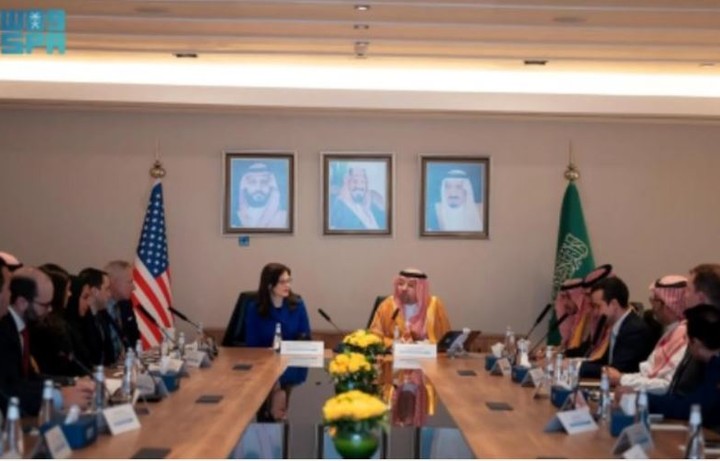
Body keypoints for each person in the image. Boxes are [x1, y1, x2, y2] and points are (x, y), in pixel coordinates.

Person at [0, 268, 94, 416]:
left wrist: (70, 382)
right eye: (45, 305)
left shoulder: (20, 326)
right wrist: (59, 397)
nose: (50, 309)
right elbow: (8, 388)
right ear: (22, 302)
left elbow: (30, 377)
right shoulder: (4, 330)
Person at [606, 275, 689, 393]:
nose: (653, 306)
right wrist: (620, 377)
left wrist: (622, 379)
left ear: (668, 305)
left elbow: (667, 386)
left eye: (655, 301)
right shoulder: (671, 331)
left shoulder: (684, 336)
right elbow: (647, 373)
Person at [648, 304, 720, 427]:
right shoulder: (712, 365)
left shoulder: (716, 369)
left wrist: (641, 398)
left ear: (695, 343)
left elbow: (690, 408)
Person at [578, 276, 653, 378]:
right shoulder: (619, 325)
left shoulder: (634, 330)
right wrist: (575, 365)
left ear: (614, 304)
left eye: (597, 306)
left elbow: (616, 370)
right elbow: (606, 362)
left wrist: (576, 367)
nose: (595, 313)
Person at [369, 268, 451, 347]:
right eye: (401, 284)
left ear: (421, 289)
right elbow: (374, 336)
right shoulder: (387, 305)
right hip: (394, 354)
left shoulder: (434, 305)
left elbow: (446, 339)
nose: (404, 289)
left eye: (411, 285)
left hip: (426, 354)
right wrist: (393, 343)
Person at [244, 262, 311, 347]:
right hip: (263, 355)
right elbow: (252, 344)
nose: (288, 285)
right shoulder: (255, 309)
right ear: (269, 285)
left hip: (291, 354)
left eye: (289, 281)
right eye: (282, 282)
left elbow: (305, 338)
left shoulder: (298, 305)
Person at [565, 264, 614, 358]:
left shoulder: (625, 325)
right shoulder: (594, 318)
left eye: (589, 295)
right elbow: (588, 348)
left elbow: (603, 358)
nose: (587, 300)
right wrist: (561, 354)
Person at [329, 165, 385, 230]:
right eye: (355, 181)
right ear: (347, 182)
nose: (359, 186)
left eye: (363, 181)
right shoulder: (337, 209)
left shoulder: (374, 207)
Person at [236, 163, 288, 229]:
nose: (258, 188)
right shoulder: (236, 218)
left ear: (271, 186)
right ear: (245, 186)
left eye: (264, 182)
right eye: (252, 182)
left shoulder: (283, 218)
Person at [104, 260, 141, 351]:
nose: (133, 287)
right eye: (130, 282)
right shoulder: (100, 306)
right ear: (113, 282)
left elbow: (134, 336)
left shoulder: (126, 304)